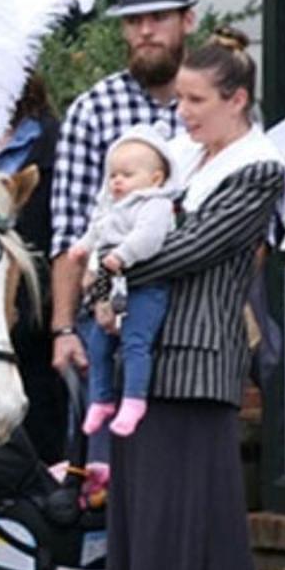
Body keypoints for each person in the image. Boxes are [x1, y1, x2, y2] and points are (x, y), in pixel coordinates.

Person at [90, 30, 285, 570]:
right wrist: (101, 282)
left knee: (193, 528)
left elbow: (193, 248)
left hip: (199, 361)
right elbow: (119, 227)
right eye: (179, 100)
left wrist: (110, 265)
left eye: (197, 100)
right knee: (144, 528)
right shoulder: (187, 160)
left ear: (237, 99)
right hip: (143, 364)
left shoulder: (258, 167)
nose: (184, 113)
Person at [44, 0, 196, 570]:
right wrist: (62, 327)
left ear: (185, 22)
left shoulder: (207, 108)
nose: (144, 30)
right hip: (103, 332)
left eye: (158, 17)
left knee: (176, 492)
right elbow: (69, 229)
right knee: (95, 485)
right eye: (133, 20)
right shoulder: (94, 109)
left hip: (187, 330)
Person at [67, 126, 181, 439]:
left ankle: (133, 400)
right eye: (113, 174)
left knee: (135, 343)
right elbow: (97, 230)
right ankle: (101, 399)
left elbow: (149, 237)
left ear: (156, 178)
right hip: (114, 288)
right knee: (98, 344)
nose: (117, 181)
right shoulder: (110, 207)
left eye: (127, 174)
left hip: (145, 288)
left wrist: (123, 254)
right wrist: (82, 247)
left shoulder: (155, 204)